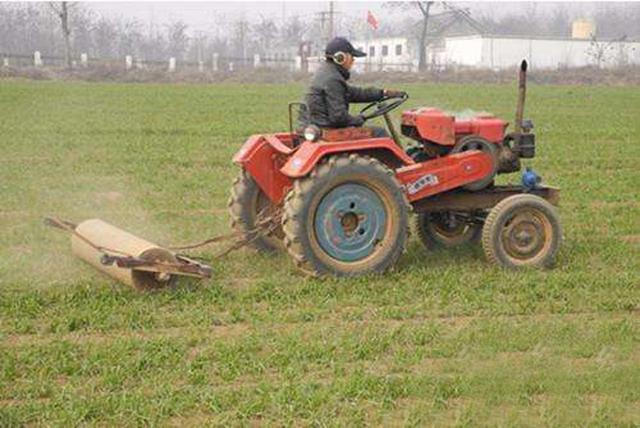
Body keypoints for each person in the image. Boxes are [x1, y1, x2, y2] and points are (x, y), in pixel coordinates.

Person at [304, 37, 405, 138]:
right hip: (328, 130)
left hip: (318, 125)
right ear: (341, 57)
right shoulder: (333, 79)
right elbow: (338, 117)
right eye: (351, 56)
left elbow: (354, 93)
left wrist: (383, 93)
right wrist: (359, 119)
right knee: (380, 133)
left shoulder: (326, 73)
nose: (353, 60)